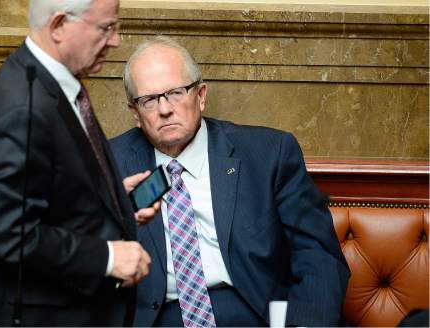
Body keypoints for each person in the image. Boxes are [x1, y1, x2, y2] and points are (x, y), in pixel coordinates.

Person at [110, 36, 350, 327]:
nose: (164, 109)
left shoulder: (268, 154)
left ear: (200, 95)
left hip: (256, 314)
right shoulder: (108, 165)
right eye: (149, 100)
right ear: (135, 113)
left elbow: (317, 256)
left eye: (176, 92)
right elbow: (81, 261)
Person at [0, 0, 159, 326]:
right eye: (106, 27)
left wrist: (113, 204)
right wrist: (108, 257)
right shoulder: (23, 105)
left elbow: (47, 193)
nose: (116, 40)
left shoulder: (46, 82)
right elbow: (10, 232)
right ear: (59, 25)